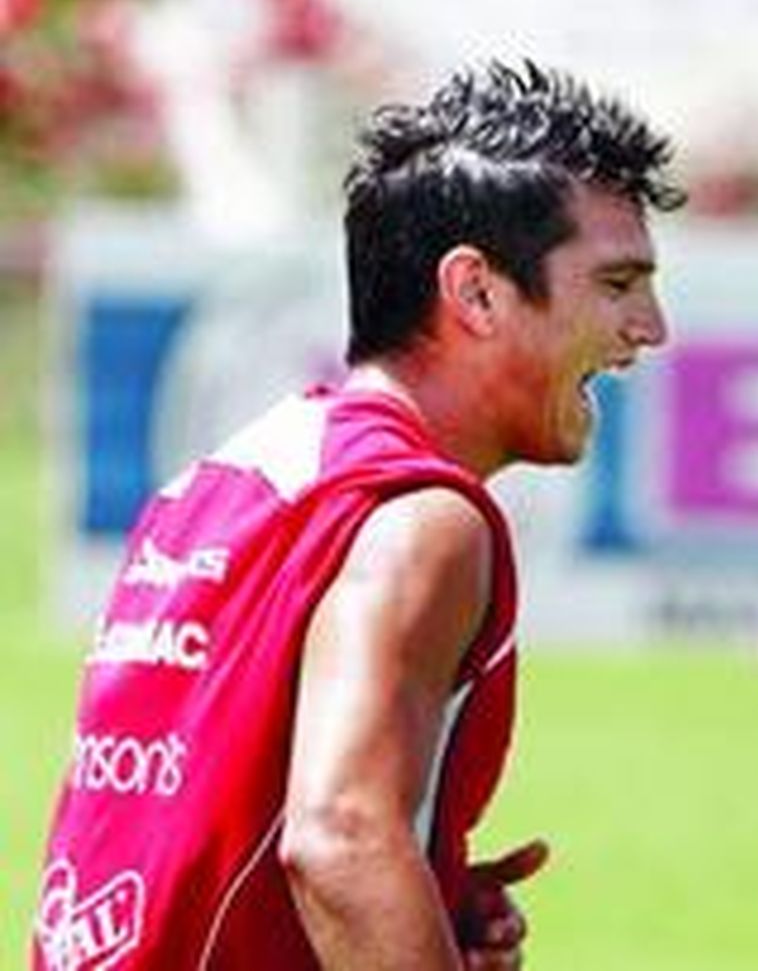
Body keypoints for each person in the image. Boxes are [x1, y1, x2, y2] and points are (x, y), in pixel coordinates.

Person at [33, 58, 682, 970]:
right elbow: (340, 839)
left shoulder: (226, 481)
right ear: (478, 292)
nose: (650, 327)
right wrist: (385, 881)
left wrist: (417, 896)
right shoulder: (422, 519)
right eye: (617, 284)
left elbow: (200, 831)